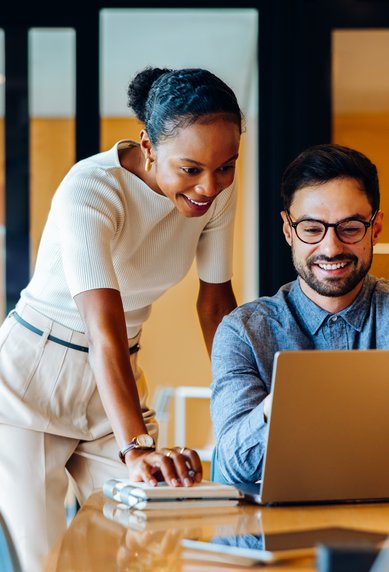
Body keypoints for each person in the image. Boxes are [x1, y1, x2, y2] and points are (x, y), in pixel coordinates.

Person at [0, 66, 243, 571]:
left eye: (226, 166)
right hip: (31, 380)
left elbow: (216, 304)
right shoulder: (90, 188)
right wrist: (137, 446)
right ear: (148, 145)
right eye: (191, 168)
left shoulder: (214, 190)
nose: (209, 186)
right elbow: (101, 323)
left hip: (117, 374)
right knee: (42, 561)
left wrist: (243, 403)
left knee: (147, 545)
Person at [210, 143, 388, 484]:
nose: (331, 247)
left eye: (350, 228)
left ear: (375, 228)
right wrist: (281, 407)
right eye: (311, 229)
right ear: (288, 230)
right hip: (274, 531)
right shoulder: (243, 332)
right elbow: (234, 465)